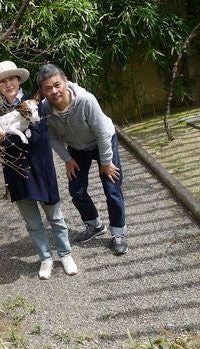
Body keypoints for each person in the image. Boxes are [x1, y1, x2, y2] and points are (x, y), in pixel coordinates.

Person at [0, 60, 78, 280]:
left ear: (18, 80)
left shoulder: (34, 103)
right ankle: (45, 258)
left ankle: (65, 254)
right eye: (2, 82)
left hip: (40, 167)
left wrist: (4, 137)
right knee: (32, 222)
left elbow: (38, 139)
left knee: (55, 216)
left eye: (11, 79)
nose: (8, 84)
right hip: (15, 172)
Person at [37, 63, 128, 255]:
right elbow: (51, 137)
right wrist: (67, 159)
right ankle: (95, 224)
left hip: (103, 141)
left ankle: (118, 233)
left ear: (65, 81)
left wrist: (106, 162)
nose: (54, 91)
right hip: (77, 148)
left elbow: (102, 133)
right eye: (48, 88)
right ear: (43, 92)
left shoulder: (86, 100)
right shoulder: (44, 109)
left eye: (57, 85)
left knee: (112, 188)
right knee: (76, 190)